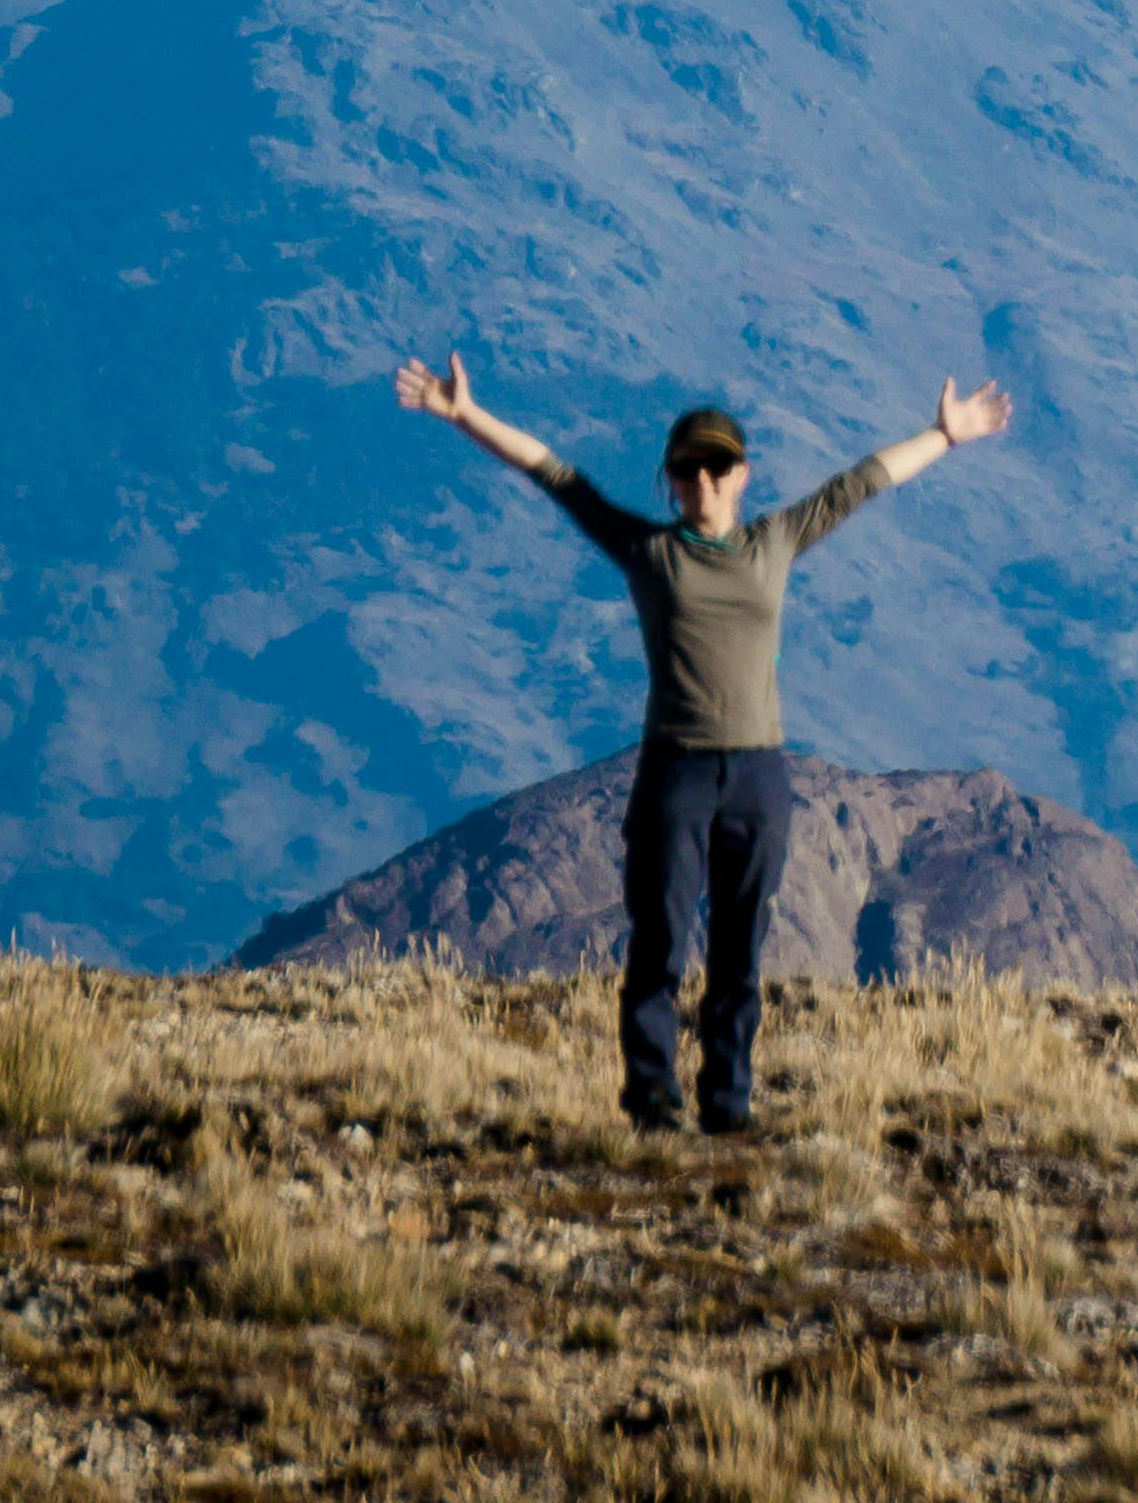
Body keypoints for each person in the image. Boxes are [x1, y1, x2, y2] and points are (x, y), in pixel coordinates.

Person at [391, 352, 1015, 1132]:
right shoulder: (649, 552)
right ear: (672, 478)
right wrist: (464, 415)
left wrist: (945, 436)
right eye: (688, 469)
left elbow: (861, 482)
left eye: (717, 466)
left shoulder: (775, 544)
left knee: (739, 954)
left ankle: (728, 1103)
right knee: (659, 941)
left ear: (743, 473)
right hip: (674, 773)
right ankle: (652, 1099)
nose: (704, 482)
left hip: (758, 775)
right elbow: (555, 475)